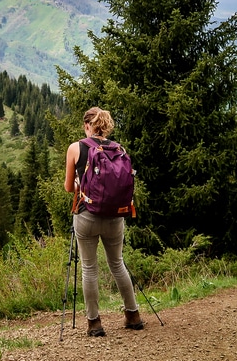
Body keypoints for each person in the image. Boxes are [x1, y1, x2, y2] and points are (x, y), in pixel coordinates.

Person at [64, 106, 144, 336]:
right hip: (115, 217)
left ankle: (95, 323)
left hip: (87, 216)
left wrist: (81, 184)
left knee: (89, 268)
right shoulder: (119, 149)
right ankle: (133, 314)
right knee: (117, 264)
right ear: (106, 125)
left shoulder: (76, 148)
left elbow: (69, 187)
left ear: (87, 125)